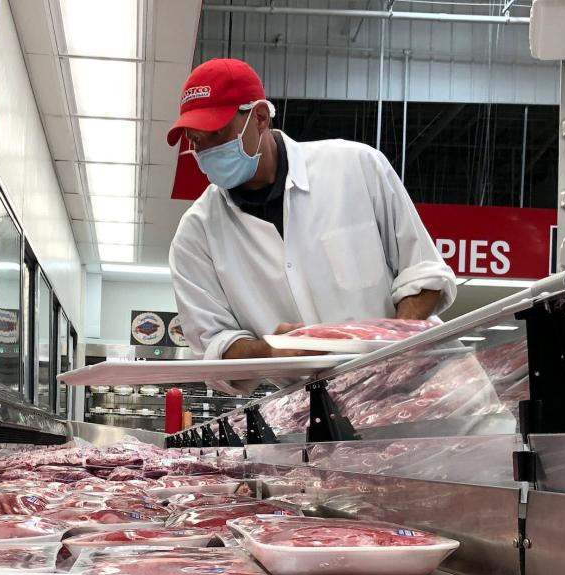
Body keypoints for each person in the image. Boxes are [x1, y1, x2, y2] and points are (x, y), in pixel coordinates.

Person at [167, 58, 456, 366]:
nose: (207, 151)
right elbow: (215, 345)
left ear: (260, 118)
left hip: (421, 376)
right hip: (317, 402)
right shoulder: (196, 236)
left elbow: (424, 273)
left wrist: (392, 345)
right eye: (197, 141)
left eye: (217, 134)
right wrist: (268, 350)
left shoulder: (356, 167)